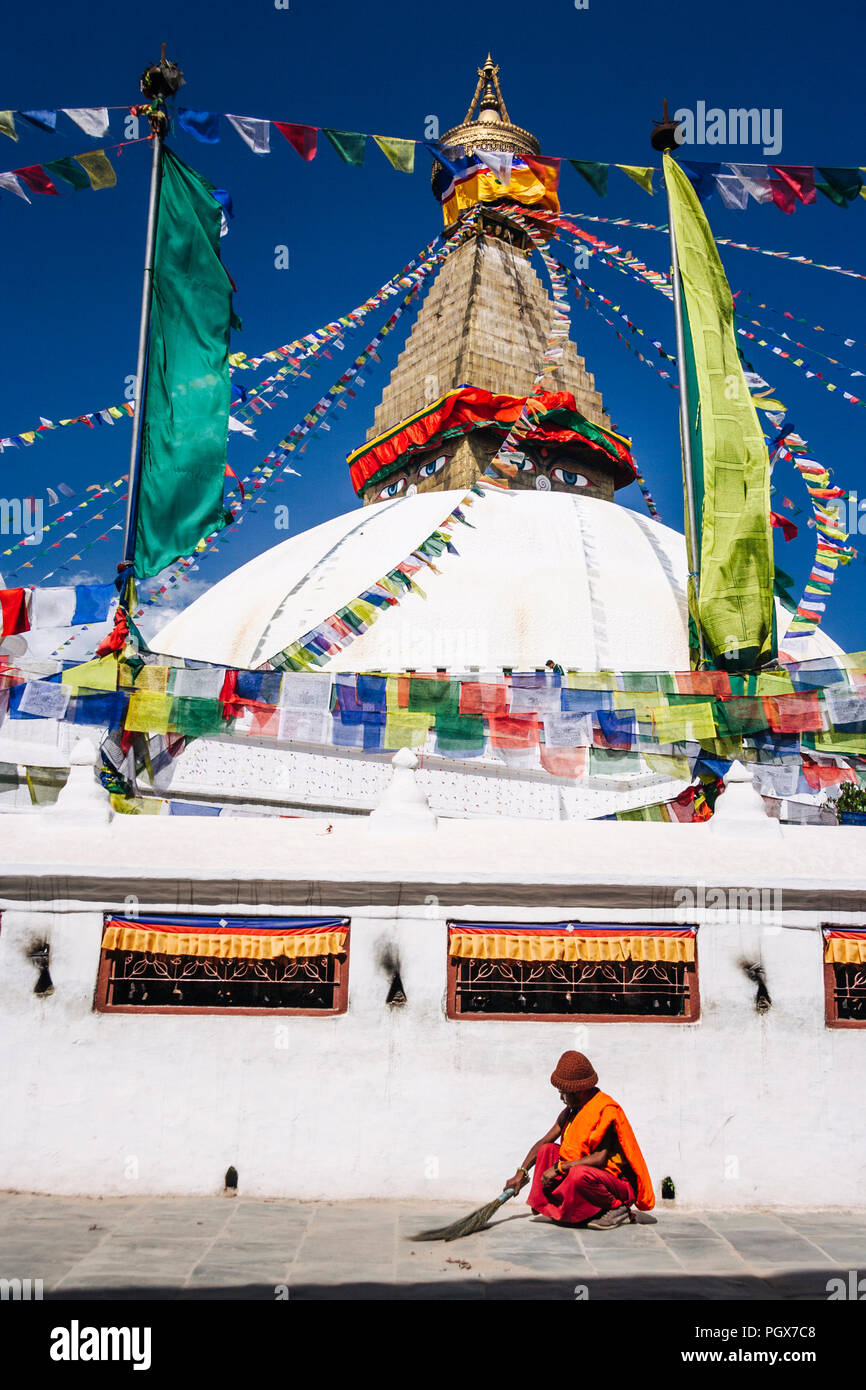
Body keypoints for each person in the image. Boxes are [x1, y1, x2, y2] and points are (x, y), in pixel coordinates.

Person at [503, 1051, 655, 1229]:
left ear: (579, 1092)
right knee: (548, 1150)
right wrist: (521, 1173)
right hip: (585, 1176)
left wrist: (559, 1167)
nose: (561, 1098)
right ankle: (560, 1208)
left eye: (564, 1093)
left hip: (613, 1184)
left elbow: (599, 1159)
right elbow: (543, 1142)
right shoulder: (572, 1111)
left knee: (578, 1174)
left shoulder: (605, 1110)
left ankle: (618, 1209)